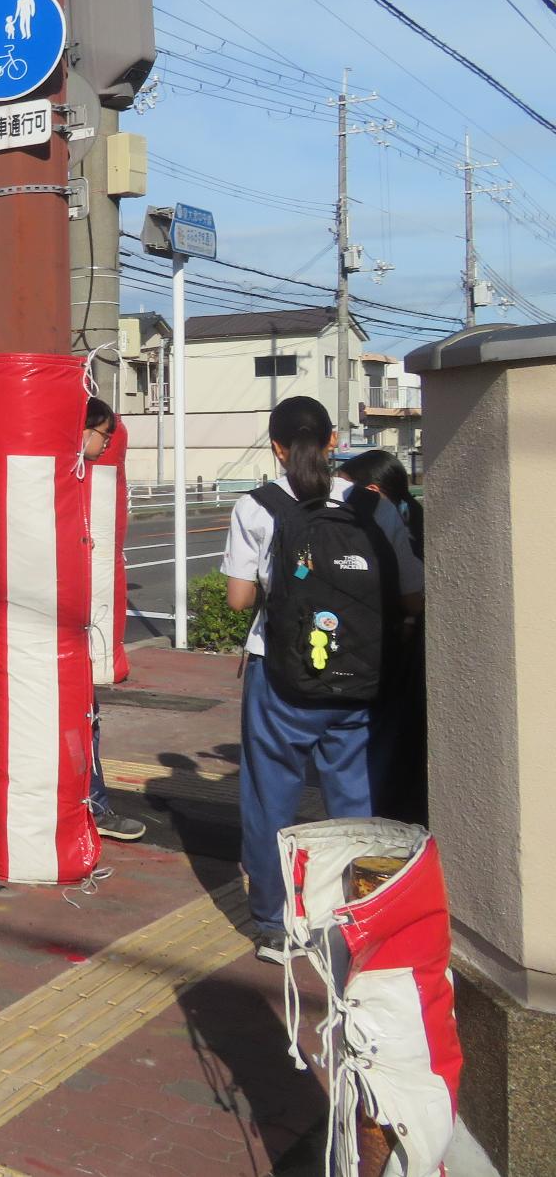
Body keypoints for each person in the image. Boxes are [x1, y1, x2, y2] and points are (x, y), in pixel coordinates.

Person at [222, 397, 424, 963]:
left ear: (276, 448)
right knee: (355, 801)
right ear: (335, 441)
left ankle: (273, 926)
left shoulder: (257, 506)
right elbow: (413, 595)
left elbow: (238, 599)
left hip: (279, 677)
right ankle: (357, 922)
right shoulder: (372, 505)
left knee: (270, 800)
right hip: (359, 673)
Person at [338, 448, 427, 825]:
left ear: (372, 490)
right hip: (405, 652)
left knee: (381, 743)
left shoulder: (385, 525)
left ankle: (375, 817)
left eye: (346, 489)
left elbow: (411, 597)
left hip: (388, 656)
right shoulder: (415, 518)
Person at [80, 398, 148, 843]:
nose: (107, 444)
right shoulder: (69, 485)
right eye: (103, 434)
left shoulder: (72, 481)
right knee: (82, 717)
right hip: (64, 629)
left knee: (83, 716)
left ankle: (92, 803)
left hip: (60, 628)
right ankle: (94, 805)